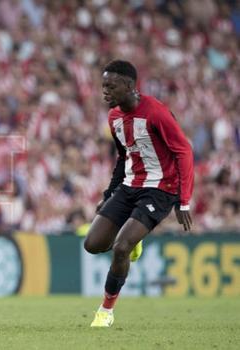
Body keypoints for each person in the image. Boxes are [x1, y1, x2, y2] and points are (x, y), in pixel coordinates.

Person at [84, 60, 194, 327]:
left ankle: (105, 312)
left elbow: (184, 151)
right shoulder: (114, 118)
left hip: (160, 190)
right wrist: (110, 193)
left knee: (121, 248)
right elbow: (123, 158)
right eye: (103, 86)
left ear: (129, 86)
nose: (105, 92)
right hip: (129, 186)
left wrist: (184, 199)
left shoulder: (156, 113)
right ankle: (133, 238)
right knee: (92, 244)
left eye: (110, 86)